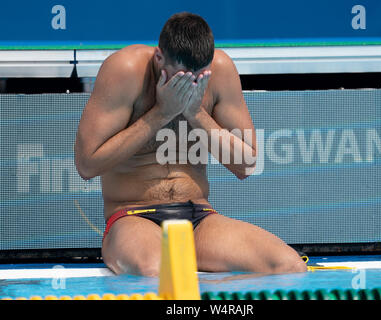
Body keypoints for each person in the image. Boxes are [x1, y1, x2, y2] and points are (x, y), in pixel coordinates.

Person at [74, 12, 307, 276]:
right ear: (159, 57)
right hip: (133, 217)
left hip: (199, 219)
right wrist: (161, 113)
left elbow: (246, 165)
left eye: (198, 79)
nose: (191, 86)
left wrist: (196, 114)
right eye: (181, 79)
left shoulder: (220, 70)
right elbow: (87, 164)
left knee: (289, 267)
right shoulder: (126, 69)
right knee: (160, 272)